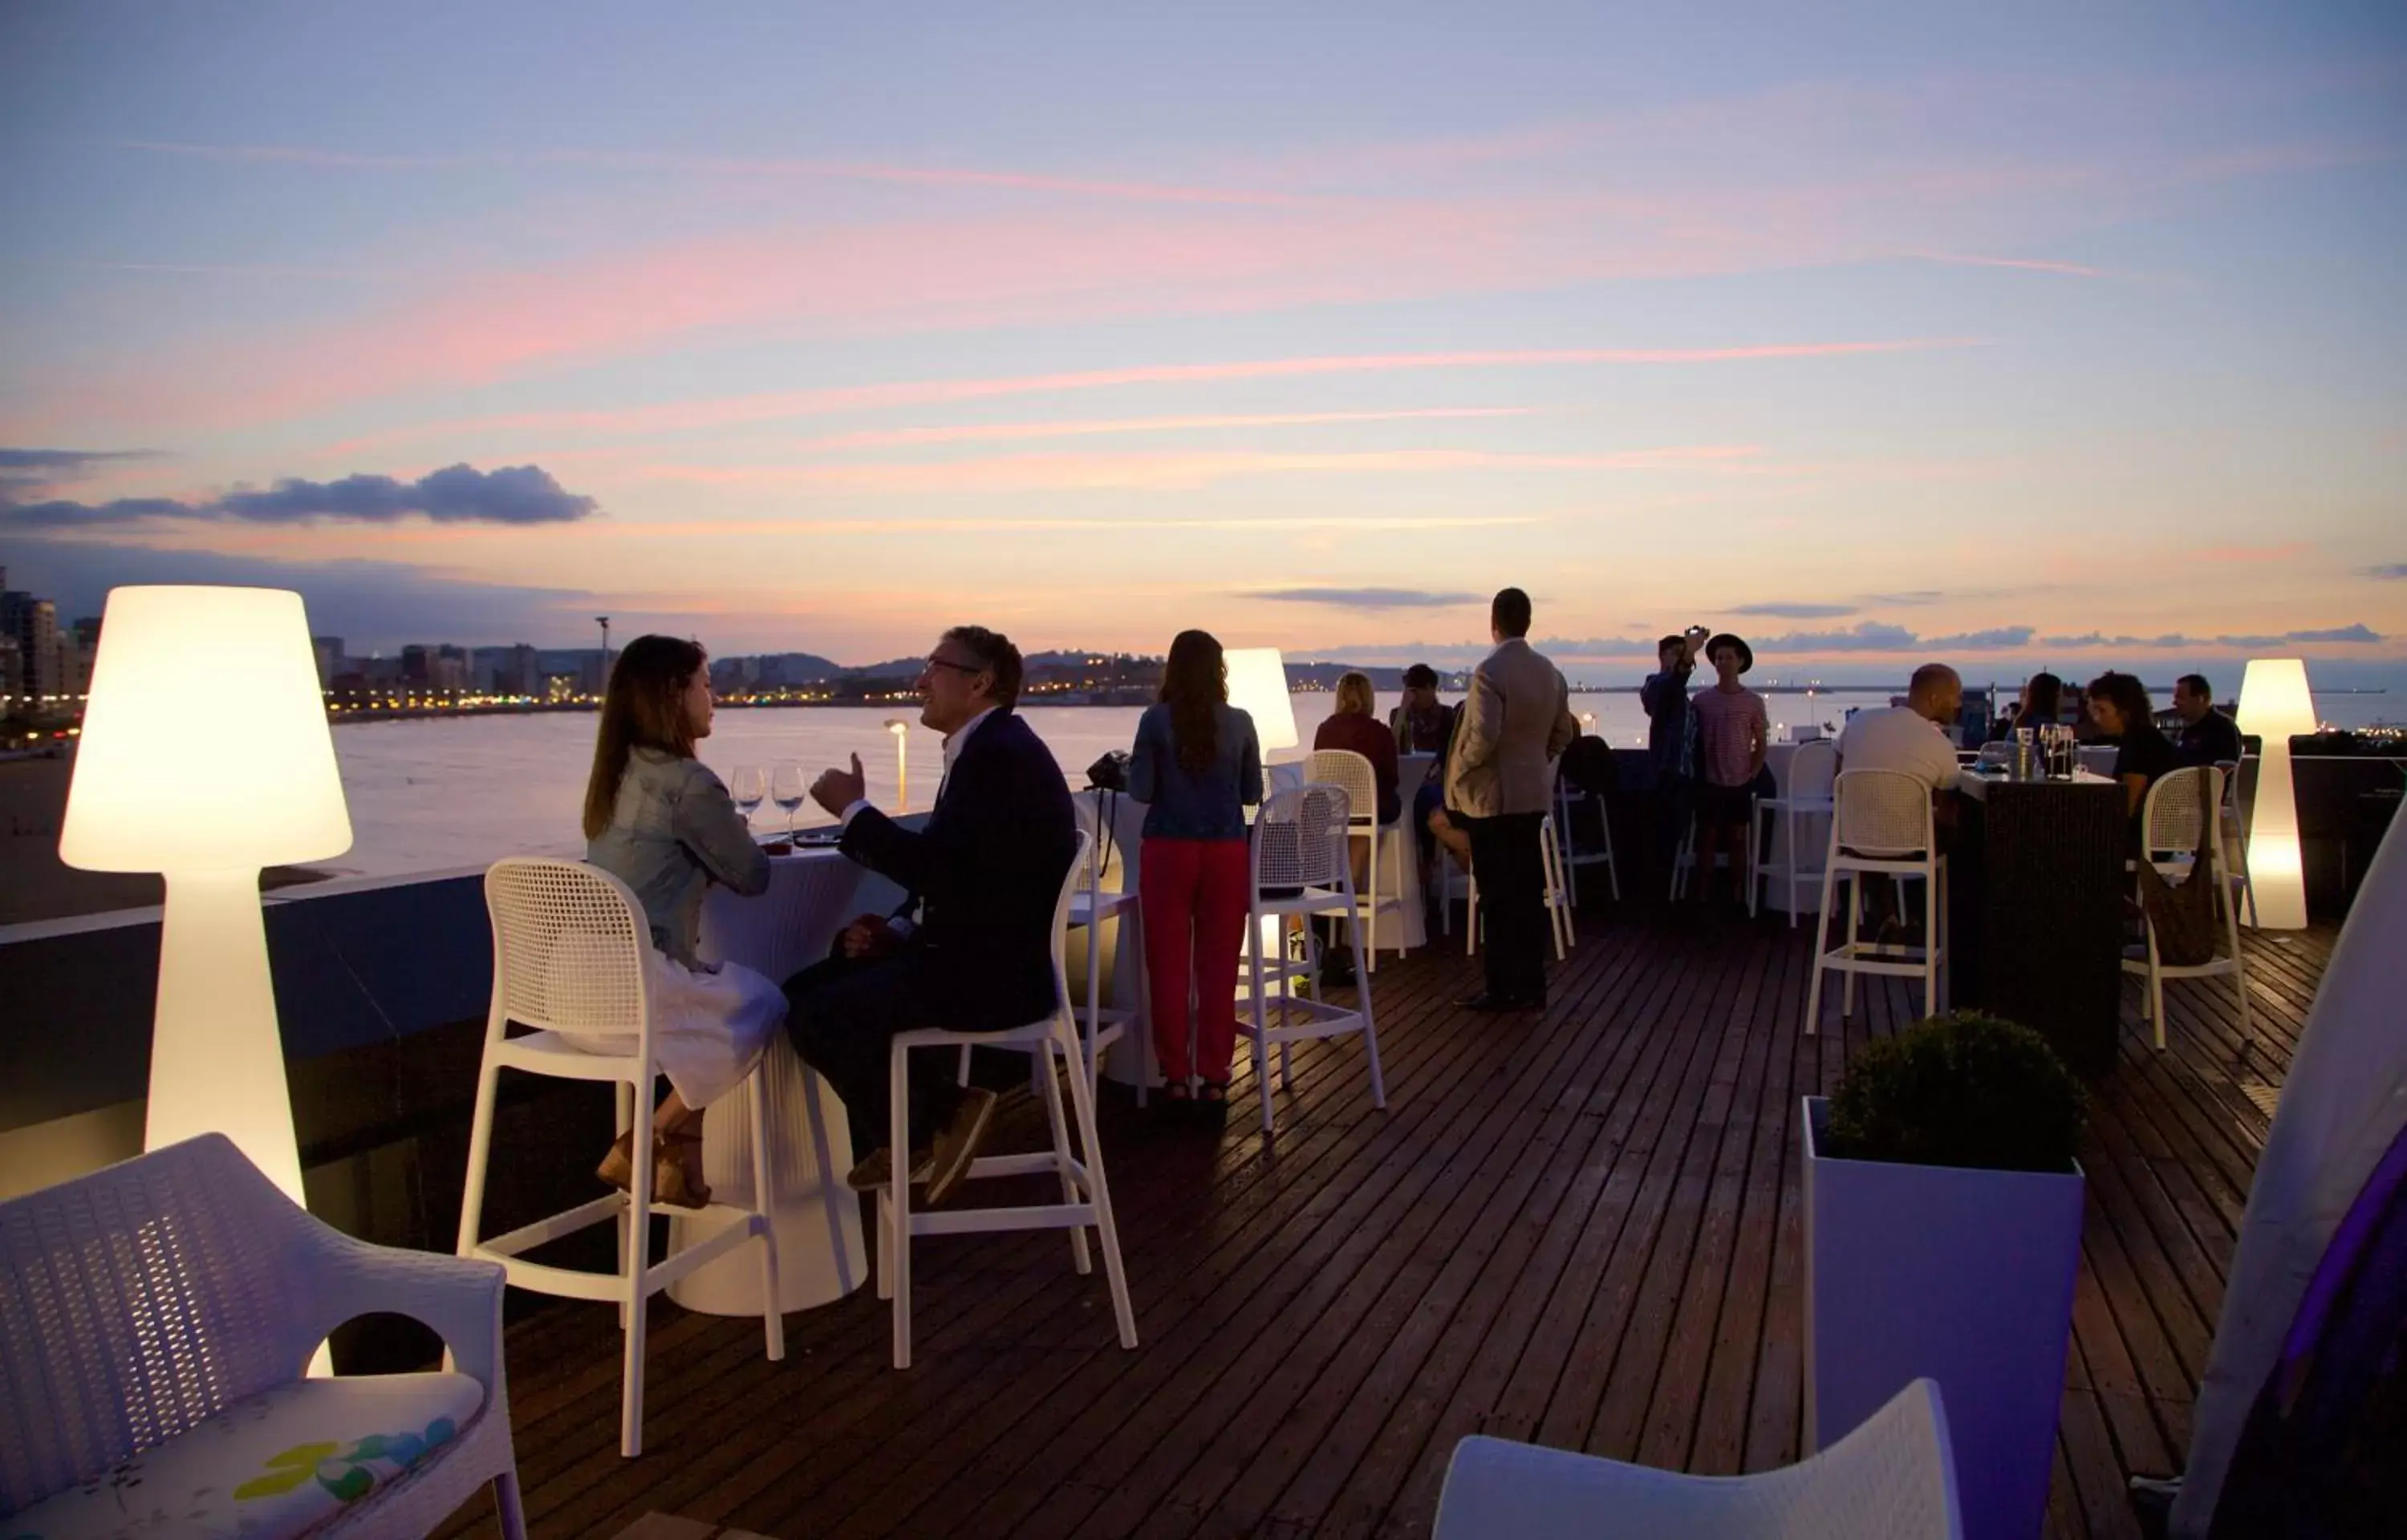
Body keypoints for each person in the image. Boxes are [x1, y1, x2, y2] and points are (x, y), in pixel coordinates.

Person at [783, 626, 1078, 1206]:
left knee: (817, 1013)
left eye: (934, 667)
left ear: (980, 682)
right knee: (800, 994)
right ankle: (934, 1119)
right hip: (984, 955)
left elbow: (940, 871)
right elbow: (967, 876)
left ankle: (931, 1122)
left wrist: (853, 810)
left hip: (993, 978)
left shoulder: (997, 756)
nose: (920, 681)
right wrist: (894, 930)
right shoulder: (992, 748)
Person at [582, 634, 783, 1210]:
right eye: (706, 684)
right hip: (640, 989)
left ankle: (683, 1168)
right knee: (764, 1004)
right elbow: (754, 877)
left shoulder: (612, 776)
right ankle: (646, 1135)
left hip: (575, 991)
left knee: (715, 1017)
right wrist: (732, 841)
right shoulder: (688, 783)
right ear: (676, 694)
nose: (714, 698)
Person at [1128, 630, 1260, 1121]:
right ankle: (1215, 1078)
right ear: (1218, 670)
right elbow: (1251, 792)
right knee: (1219, 968)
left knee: (1167, 967)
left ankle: (1176, 1078)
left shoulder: (1154, 721)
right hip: (1225, 851)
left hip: (1167, 849)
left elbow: (1140, 791)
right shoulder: (1241, 722)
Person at [1444, 587, 1579, 1010]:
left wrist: (1462, 768)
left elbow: (1483, 735)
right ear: (1529, 621)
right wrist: (1538, 761)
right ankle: (1533, 983)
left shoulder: (1490, 672)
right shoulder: (1550, 672)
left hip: (1492, 797)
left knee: (1498, 897)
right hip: (1532, 794)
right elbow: (1565, 733)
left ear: (1493, 622)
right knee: (1527, 890)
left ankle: (1501, 987)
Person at [1687, 633, 1768, 910]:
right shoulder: (1701, 701)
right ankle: (1702, 896)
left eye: (1729, 658)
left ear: (1741, 662)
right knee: (1707, 838)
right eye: (1719, 658)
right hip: (1709, 780)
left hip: (1740, 780)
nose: (1723, 663)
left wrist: (1753, 771)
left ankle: (1738, 897)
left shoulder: (1753, 702)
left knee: (1737, 838)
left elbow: (1761, 740)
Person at [1642, 626, 1707, 902]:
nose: (1685, 660)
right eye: (1678, 654)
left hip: (1686, 776)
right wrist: (1690, 653)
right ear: (1664, 656)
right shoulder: (1655, 686)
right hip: (1669, 775)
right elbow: (1672, 685)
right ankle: (1660, 901)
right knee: (1664, 840)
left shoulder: (1677, 695)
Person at [2086, 671, 2178, 824]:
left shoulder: (2138, 743)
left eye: (2102, 710)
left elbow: (2129, 807)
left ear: (2124, 712)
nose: (2096, 718)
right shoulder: (2148, 736)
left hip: (2142, 834)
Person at [1314, 670, 1401, 825]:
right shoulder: (1380, 732)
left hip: (1332, 807)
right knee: (1394, 801)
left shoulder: (1324, 730)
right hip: (1371, 807)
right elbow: (1391, 778)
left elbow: (1318, 771)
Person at [2172, 672, 2243, 767]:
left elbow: (2225, 768)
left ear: (2200, 699)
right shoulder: (2186, 730)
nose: (2174, 703)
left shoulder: (2222, 728)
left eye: (2180, 698)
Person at [1995, 671, 2063, 741]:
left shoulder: (2021, 722)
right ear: (2053, 697)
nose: (2063, 699)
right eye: (2061, 695)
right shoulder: (2045, 727)